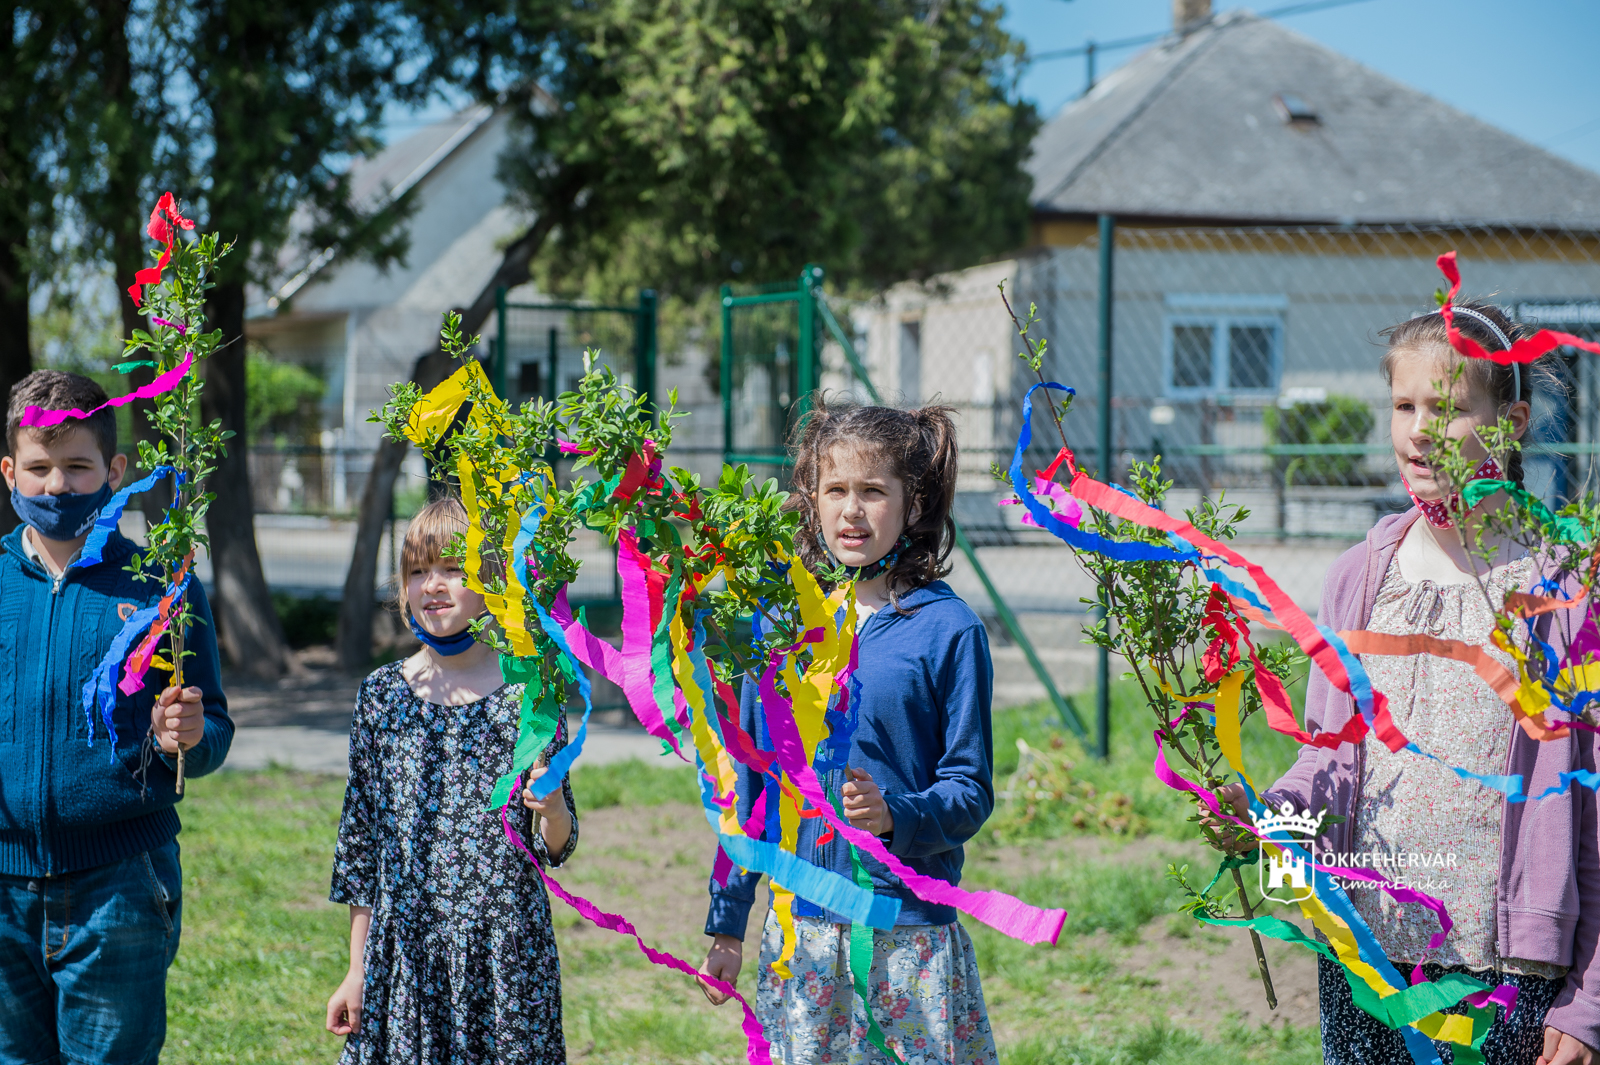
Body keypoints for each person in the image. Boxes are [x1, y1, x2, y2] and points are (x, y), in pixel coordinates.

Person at [1215, 302, 1600, 1065]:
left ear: (1510, 421)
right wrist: (1273, 820)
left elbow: (1594, 818)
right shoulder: (1359, 580)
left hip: (1507, 975)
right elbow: (1329, 760)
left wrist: (1588, 1003)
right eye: (1404, 406)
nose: (1420, 429)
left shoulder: (1565, 598)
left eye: (1450, 408)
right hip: (1367, 959)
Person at [698, 400, 999, 1065]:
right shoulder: (782, 624)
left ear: (913, 504)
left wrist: (901, 815)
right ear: (811, 500)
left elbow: (970, 789)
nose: (852, 510)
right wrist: (727, 920)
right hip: (800, 931)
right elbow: (749, 786)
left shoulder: (949, 632)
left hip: (906, 936)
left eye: (872, 491)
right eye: (836, 490)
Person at [0, 370, 231, 1065]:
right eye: (38, 468)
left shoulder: (162, 586)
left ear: (115, 469)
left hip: (120, 883)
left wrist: (184, 736)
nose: (57, 485)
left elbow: (213, 725)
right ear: (9, 469)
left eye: (78, 466)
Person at [325, 496, 578, 1065]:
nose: (432, 585)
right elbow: (361, 851)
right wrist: (356, 971)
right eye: (417, 571)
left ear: (489, 580)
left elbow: (557, 846)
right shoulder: (381, 695)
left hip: (504, 960)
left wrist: (554, 808)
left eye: (452, 569)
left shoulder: (530, 692)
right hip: (405, 960)